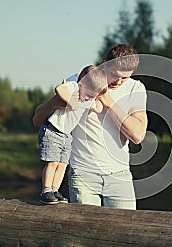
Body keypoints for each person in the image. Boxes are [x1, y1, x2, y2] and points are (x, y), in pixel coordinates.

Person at [33, 44, 148, 210]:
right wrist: (60, 102)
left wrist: (108, 102)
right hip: (82, 175)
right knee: (84, 233)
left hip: (120, 175)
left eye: (125, 78)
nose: (119, 82)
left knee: (126, 232)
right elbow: (37, 118)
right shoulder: (82, 80)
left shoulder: (135, 88)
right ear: (105, 64)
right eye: (115, 75)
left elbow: (138, 135)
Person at [37, 65, 107, 204]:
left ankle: (55, 190)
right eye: (88, 95)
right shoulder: (74, 88)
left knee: (62, 164)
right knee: (53, 162)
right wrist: (71, 101)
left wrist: (98, 98)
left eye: (92, 96)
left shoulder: (89, 99)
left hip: (66, 135)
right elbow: (59, 89)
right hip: (53, 129)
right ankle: (46, 190)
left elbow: (98, 108)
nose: (88, 99)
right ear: (81, 84)